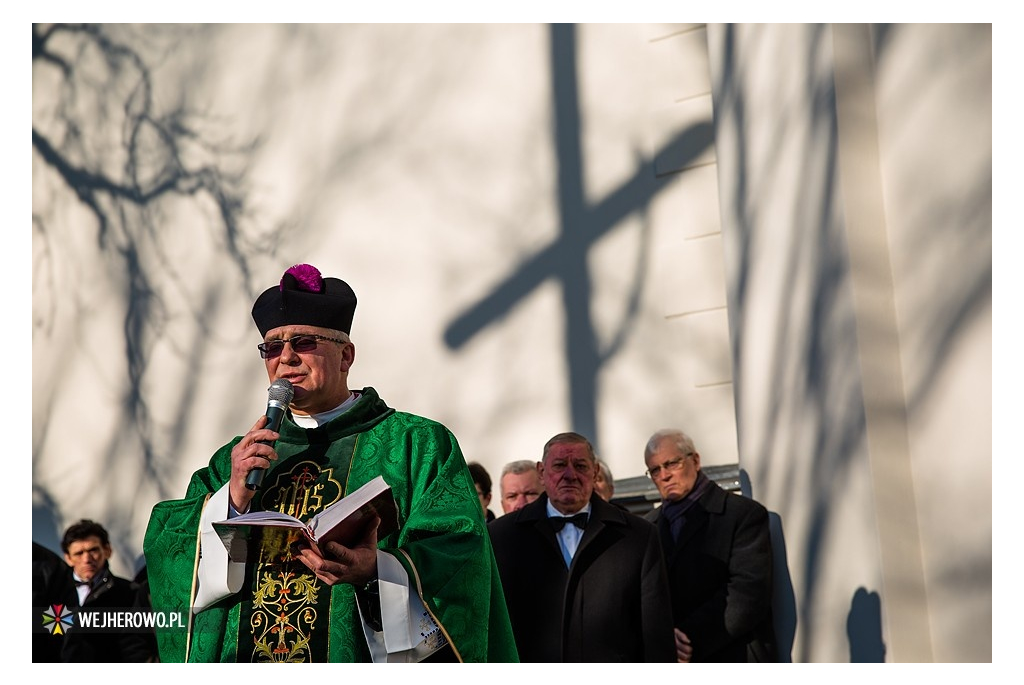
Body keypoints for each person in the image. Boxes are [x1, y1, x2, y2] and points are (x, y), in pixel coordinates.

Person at [143, 263, 518, 663]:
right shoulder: (234, 459)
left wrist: (379, 569)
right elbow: (173, 553)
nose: (285, 358)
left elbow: (460, 556)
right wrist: (231, 499)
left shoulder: (417, 444)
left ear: (346, 356)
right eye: (272, 347)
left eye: (303, 342)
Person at [488, 432, 675, 662]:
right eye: (559, 465)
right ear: (541, 473)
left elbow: (657, 635)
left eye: (580, 466)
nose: (570, 475)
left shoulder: (638, 536)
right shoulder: (501, 537)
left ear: (595, 472)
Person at [643, 429, 777, 662]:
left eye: (672, 464)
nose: (664, 475)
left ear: (695, 460)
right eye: (655, 470)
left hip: (733, 655)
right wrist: (661, 641)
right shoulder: (646, 528)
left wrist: (685, 639)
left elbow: (747, 594)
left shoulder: (742, 514)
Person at [53, 519, 158, 662]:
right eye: (79, 553)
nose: (87, 559)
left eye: (93, 550)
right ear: (68, 558)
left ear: (107, 550)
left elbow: (138, 646)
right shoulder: (54, 593)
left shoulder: (130, 592)